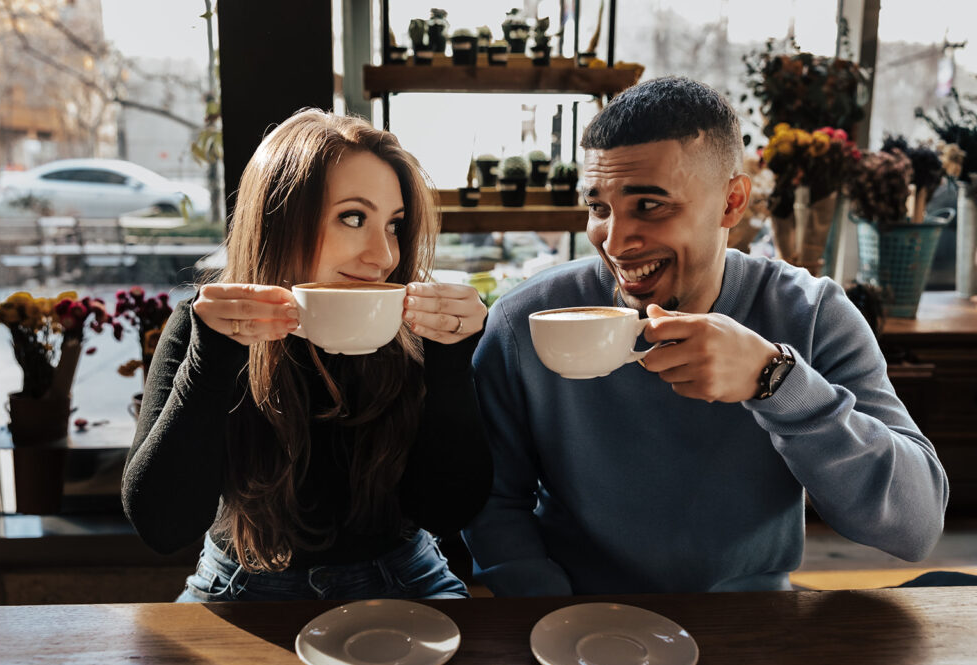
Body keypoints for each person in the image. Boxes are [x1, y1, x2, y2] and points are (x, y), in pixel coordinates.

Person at [464, 77, 948, 596]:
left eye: (649, 206)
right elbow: (492, 502)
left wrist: (777, 382)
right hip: (578, 627)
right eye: (599, 207)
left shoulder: (812, 314)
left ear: (731, 204)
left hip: (751, 622)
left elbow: (915, 527)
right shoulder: (525, 319)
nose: (616, 240)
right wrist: (547, 608)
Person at [123, 109, 491, 601]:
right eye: (354, 218)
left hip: (401, 574)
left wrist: (449, 362)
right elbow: (163, 527)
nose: (384, 257)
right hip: (240, 579)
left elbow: (446, 511)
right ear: (280, 219)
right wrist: (211, 360)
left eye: (395, 226)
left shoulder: (412, 332)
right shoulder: (207, 330)